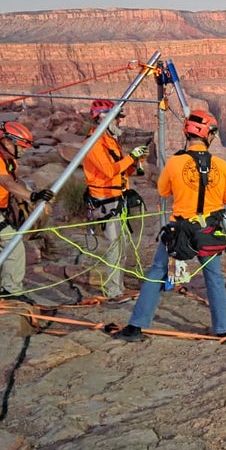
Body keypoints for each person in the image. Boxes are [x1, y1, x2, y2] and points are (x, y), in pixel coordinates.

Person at [112, 110, 226, 341]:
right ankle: (222, 329)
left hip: (179, 231)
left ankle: (136, 327)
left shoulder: (175, 162)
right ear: (208, 135)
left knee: (157, 272)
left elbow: (163, 191)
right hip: (209, 230)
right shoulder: (221, 165)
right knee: (215, 279)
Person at [0, 121, 54, 303]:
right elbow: (6, 183)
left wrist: (31, 200)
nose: (23, 151)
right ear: (6, 141)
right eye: (21, 146)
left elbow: (15, 181)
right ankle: (12, 291)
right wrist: (33, 196)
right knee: (14, 245)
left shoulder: (9, 159)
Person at [82, 98, 147, 302]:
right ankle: (113, 292)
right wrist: (130, 157)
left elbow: (121, 170)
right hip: (105, 200)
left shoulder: (110, 141)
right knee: (114, 247)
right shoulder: (93, 144)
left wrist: (135, 161)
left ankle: (119, 287)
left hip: (117, 198)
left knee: (122, 245)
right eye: (117, 118)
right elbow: (109, 171)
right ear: (103, 118)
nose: (119, 122)